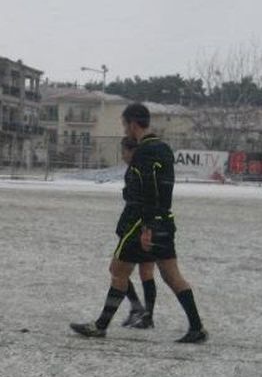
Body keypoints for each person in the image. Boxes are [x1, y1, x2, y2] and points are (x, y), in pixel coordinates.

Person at [71, 103, 207, 343]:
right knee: (172, 276)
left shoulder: (144, 151)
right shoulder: (164, 148)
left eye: (125, 125)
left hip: (142, 222)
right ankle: (197, 328)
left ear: (133, 123)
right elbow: (161, 189)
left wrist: (147, 227)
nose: (125, 130)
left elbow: (148, 189)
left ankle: (101, 325)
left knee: (118, 270)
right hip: (165, 219)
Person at [118, 136, 158, 329]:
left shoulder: (136, 169)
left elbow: (139, 198)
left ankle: (138, 309)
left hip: (136, 225)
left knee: (118, 270)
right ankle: (146, 315)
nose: (122, 155)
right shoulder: (143, 168)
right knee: (146, 272)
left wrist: (143, 226)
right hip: (147, 224)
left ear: (131, 151)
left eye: (123, 151)